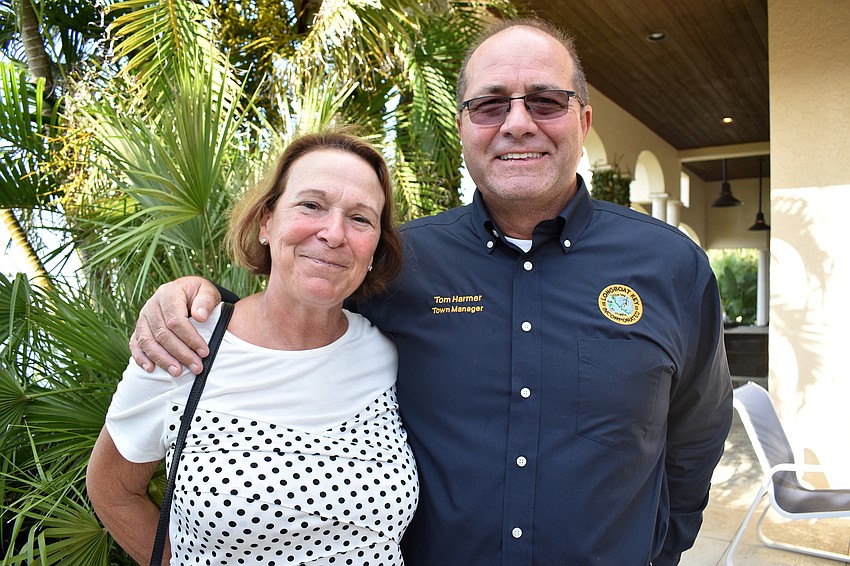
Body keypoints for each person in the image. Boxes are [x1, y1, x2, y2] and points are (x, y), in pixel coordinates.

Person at [127, 18, 733, 566]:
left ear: (583, 120)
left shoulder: (670, 266)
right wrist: (196, 294)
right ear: (465, 124)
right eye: (490, 104)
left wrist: (660, 551)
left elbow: (696, 436)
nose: (517, 122)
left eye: (545, 101)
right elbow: (298, 303)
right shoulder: (401, 264)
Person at [87, 129, 418, 565]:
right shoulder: (184, 342)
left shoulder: (389, 354)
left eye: (360, 219)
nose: (334, 233)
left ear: (375, 246)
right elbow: (112, 490)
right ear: (267, 222)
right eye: (311, 205)